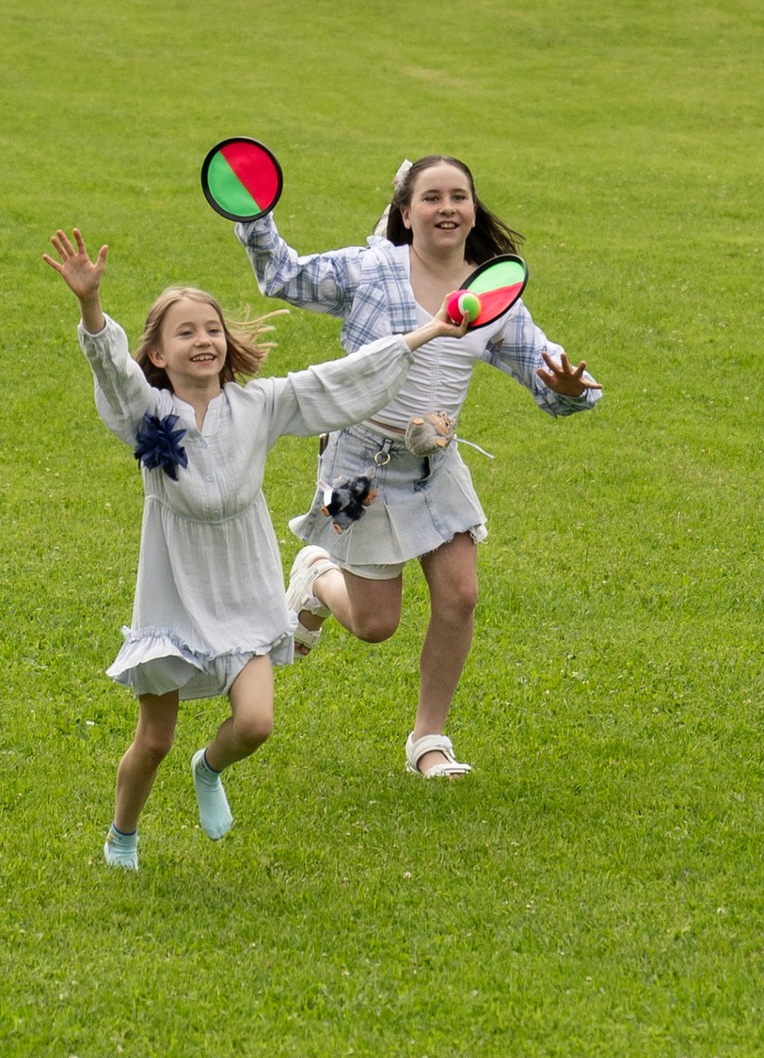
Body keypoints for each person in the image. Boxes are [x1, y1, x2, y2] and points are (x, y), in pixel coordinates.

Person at [46, 227, 461, 868]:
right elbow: (111, 369)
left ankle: (208, 767)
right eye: (184, 333)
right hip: (175, 593)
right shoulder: (146, 416)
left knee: (256, 725)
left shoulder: (260, 405)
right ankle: (122, 835)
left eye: (210, 328)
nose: (203, 340)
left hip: (244, 589)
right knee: (151, 741)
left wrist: (426, 333)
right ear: (156, 353)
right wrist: (90, 306)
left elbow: (338, 381)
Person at [228, 154, 599, 781]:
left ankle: (429, 739)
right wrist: (254, 216)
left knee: (460, 594)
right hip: (358, 469)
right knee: (375, 625)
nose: (446, 207)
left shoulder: (493, 293)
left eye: (459, 196)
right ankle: (315, 574)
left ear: (473, 210)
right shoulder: (372, 269)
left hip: (435, 465)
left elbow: (553, 377)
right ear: (406, 213)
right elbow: (284, 278)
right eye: (431, 197)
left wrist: (568, 385)